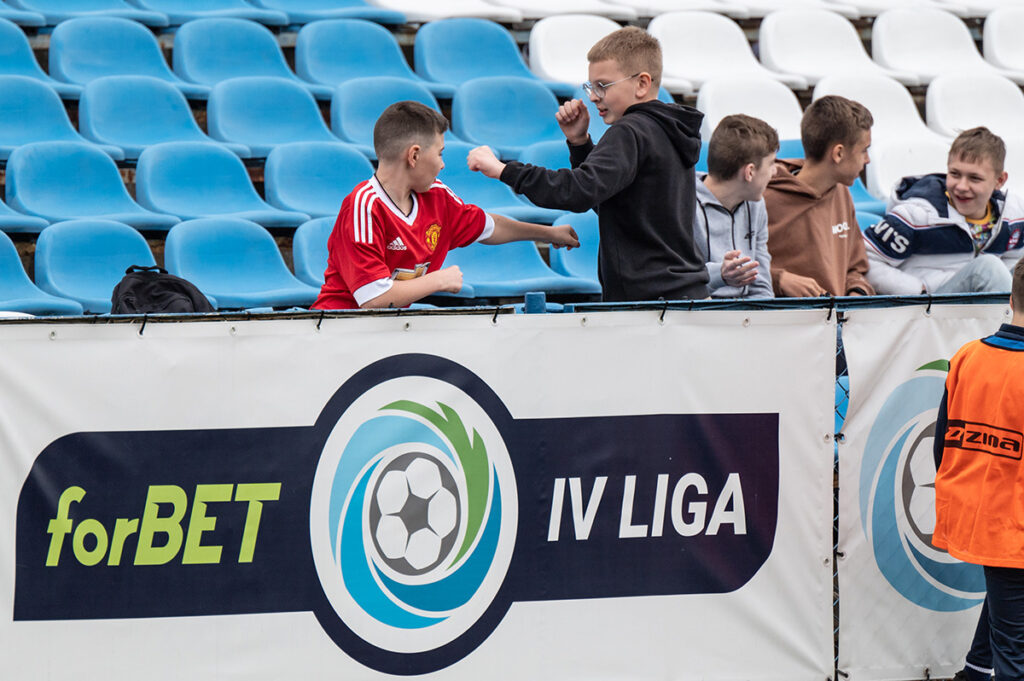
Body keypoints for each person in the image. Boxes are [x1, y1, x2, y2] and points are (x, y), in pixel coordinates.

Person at [466, 26, 707, 302]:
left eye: (603, 85)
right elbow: (611, 199)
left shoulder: (630, 131)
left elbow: (577, 191)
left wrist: (504, 170)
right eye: (591, 86)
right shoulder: (668, 130)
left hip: (650, 302)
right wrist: (580, 143)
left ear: (642, 83)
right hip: (683, 293)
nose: (593, 96)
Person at [311, 101, 579, 310]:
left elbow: (489, 227)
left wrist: (548, 233)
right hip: (337, 330)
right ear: (414, 155)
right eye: (439, 153)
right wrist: (438, 280)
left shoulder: (437, 195)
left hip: (388, 328)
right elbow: (374, 299)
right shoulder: (363, 206)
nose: (442, 164)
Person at [933, 257, 1024, 681]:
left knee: (1008, 609)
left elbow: (942, 445)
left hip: (979, 515)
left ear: (1011, 300)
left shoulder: (967, 356)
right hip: (1013, 526)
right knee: (1016, 651)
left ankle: (973, 671)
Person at [864, 127, 1024, 295]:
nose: (961, 186)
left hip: (981, 305)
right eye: (955, 174)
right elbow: (867, 259)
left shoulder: (1013, 217)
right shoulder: (917, 215)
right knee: (987, 267)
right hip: (933, 304)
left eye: (974, 178)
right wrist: (918, 290)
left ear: (999, 180)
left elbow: (1013, 260)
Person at [763, 95, 875, 298]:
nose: (867, 160)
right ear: (838, 153)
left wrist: (856, 292)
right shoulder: (763, 198)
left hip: (839, 315)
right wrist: (779, 280)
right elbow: (730, 268)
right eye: (864, 150)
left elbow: (855, 268)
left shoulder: (842, 192)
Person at [695, 114, 777, 299]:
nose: (775, 171)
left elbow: (762, 286)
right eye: (771, 163)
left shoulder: (756, 204)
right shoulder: (683, 206)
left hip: (747, 314)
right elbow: (677, 284)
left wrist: (761, 314)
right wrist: (720, 275)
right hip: (699, 313)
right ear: (750, 172)